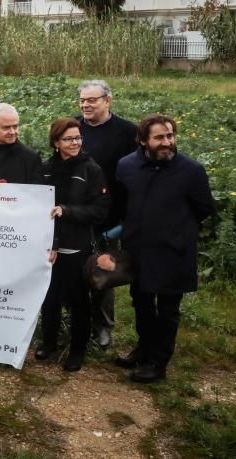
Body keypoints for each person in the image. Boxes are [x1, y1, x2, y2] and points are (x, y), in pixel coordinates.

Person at [109, 114, 214, 383]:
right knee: (142, 304)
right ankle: (144, 350)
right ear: (143, 140)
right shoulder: (126, 166)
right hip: (139, 250)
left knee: (168, 310)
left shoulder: (191, 171)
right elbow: (122, 204)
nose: (167, 142)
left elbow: (204, 209)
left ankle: (158, 362)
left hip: (173, 252)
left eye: (170, 136)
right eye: (159, 137)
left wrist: (175, 229)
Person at [37, 118, 110, 372]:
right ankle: (48, 343)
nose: (75, 142)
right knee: (50, 299)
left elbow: (100, 211)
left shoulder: (91, 170)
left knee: (79, 301)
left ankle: (77, 350)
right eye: (68, 139)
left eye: (78, 137)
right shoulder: (45, 169)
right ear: (56, 143)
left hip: (76, 248)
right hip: (48, 247)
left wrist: (67, 211)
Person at [75, 79, 137, 349]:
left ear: (108, 100)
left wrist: (126, 218)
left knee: (103, 273)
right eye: (82, 100)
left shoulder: (127, 132)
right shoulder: (72, 127)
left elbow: (134, 176)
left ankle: (103, 327)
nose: (86, 105)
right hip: (76, 214)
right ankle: (77, 321)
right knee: (75, 271)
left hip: (110, 218)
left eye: (92, 100)